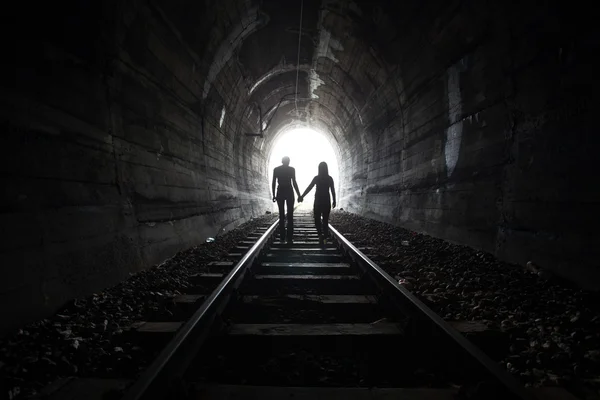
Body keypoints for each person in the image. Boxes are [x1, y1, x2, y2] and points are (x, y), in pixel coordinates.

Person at [298, 161, 336, 246]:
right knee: (325, 221)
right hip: (326, 201)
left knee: (317, 219)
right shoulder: (330, 178)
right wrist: (334, 200)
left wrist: (302, 196)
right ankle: (325, 239)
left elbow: (309, 187)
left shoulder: (317, 178)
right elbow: (332, 190)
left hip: (318, 201)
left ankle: (320, 235)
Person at [272, 156, 301, 244]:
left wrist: (274, 195)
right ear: (288, 162)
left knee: (281, 216)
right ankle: (289, 238)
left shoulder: (276, 169)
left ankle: (282, 238)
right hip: (289, 191)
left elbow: (273, 182)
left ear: (282, 161)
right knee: (290, 216)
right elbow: (294, 182)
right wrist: (299, 195)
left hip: (280, 191)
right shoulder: (291, 169)